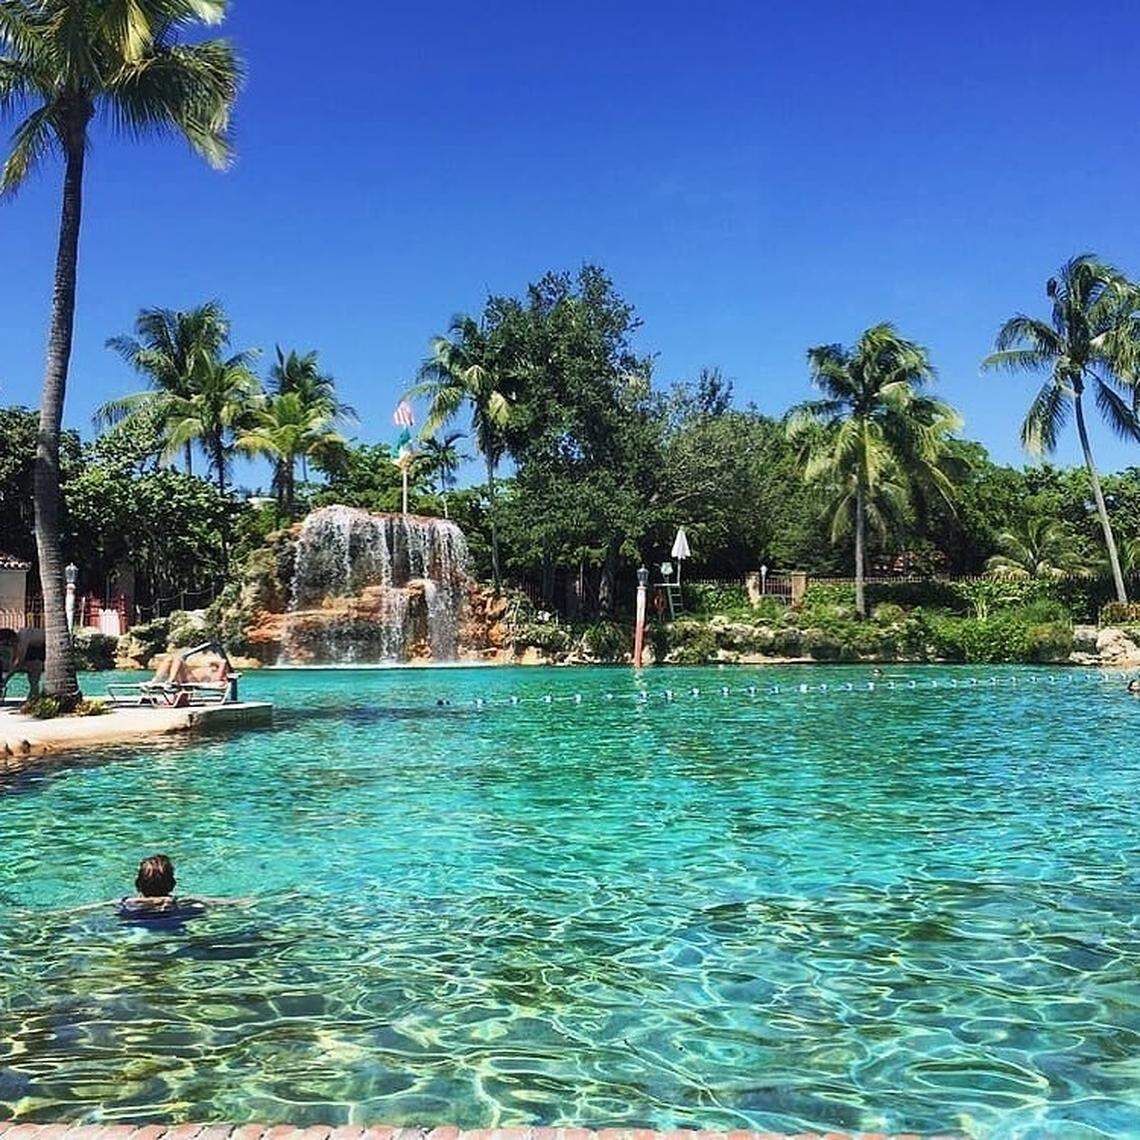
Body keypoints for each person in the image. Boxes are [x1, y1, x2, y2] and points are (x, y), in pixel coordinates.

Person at [118, 854, 207, 921]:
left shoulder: (125, 904)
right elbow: (217, 903)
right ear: (173, 884)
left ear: (137, 884)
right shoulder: (184, 904)